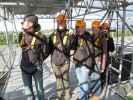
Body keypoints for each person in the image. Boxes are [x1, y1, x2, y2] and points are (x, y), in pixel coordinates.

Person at [18, 14, 48, 100]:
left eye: (28, 25)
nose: (25, 28)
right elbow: (21, 46)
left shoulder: (41, 36)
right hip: (24, 67)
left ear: (34, 25)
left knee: (40, 91)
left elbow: (46, 51)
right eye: (25, 25)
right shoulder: (22, 35)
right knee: (28, 92)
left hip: (36, 68)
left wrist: (39, 60)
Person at [49, 14, 75, 100]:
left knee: (65, 79)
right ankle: (59, 95)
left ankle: (67, 95)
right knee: (58, 80)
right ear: (57, 22)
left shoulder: (69, 34)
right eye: (59, 22)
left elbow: (73, 46)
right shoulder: (53, 34)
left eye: (62, 22)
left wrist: (72, 37)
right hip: (55, 62)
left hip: (65, 62)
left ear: (65, 22)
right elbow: (48, 48)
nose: (60, 24)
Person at [73, 19, 94, 100]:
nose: (79, 29)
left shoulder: (88, 37)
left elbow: (90, 52)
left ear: (84, 28)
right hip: (77, 63)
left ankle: (83, 98)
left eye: (81, 27)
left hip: (85, 65)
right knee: (81, 82)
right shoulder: (77, 36)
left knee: (84, 83)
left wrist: (88, 66)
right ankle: (83, 96)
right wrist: (73, 36)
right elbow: (72, 47)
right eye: (77, 27)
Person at [90, 20, 108, 99]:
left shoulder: (103, 38)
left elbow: (105, 53)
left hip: (98, 61)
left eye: (96, 28)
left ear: (99, 28)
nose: (95, 29)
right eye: (93, 28)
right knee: (91, 77)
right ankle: (92, 93)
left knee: (97, 78)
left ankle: (96, 96)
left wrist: (103, 65)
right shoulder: (91, 37)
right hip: (90, 61)